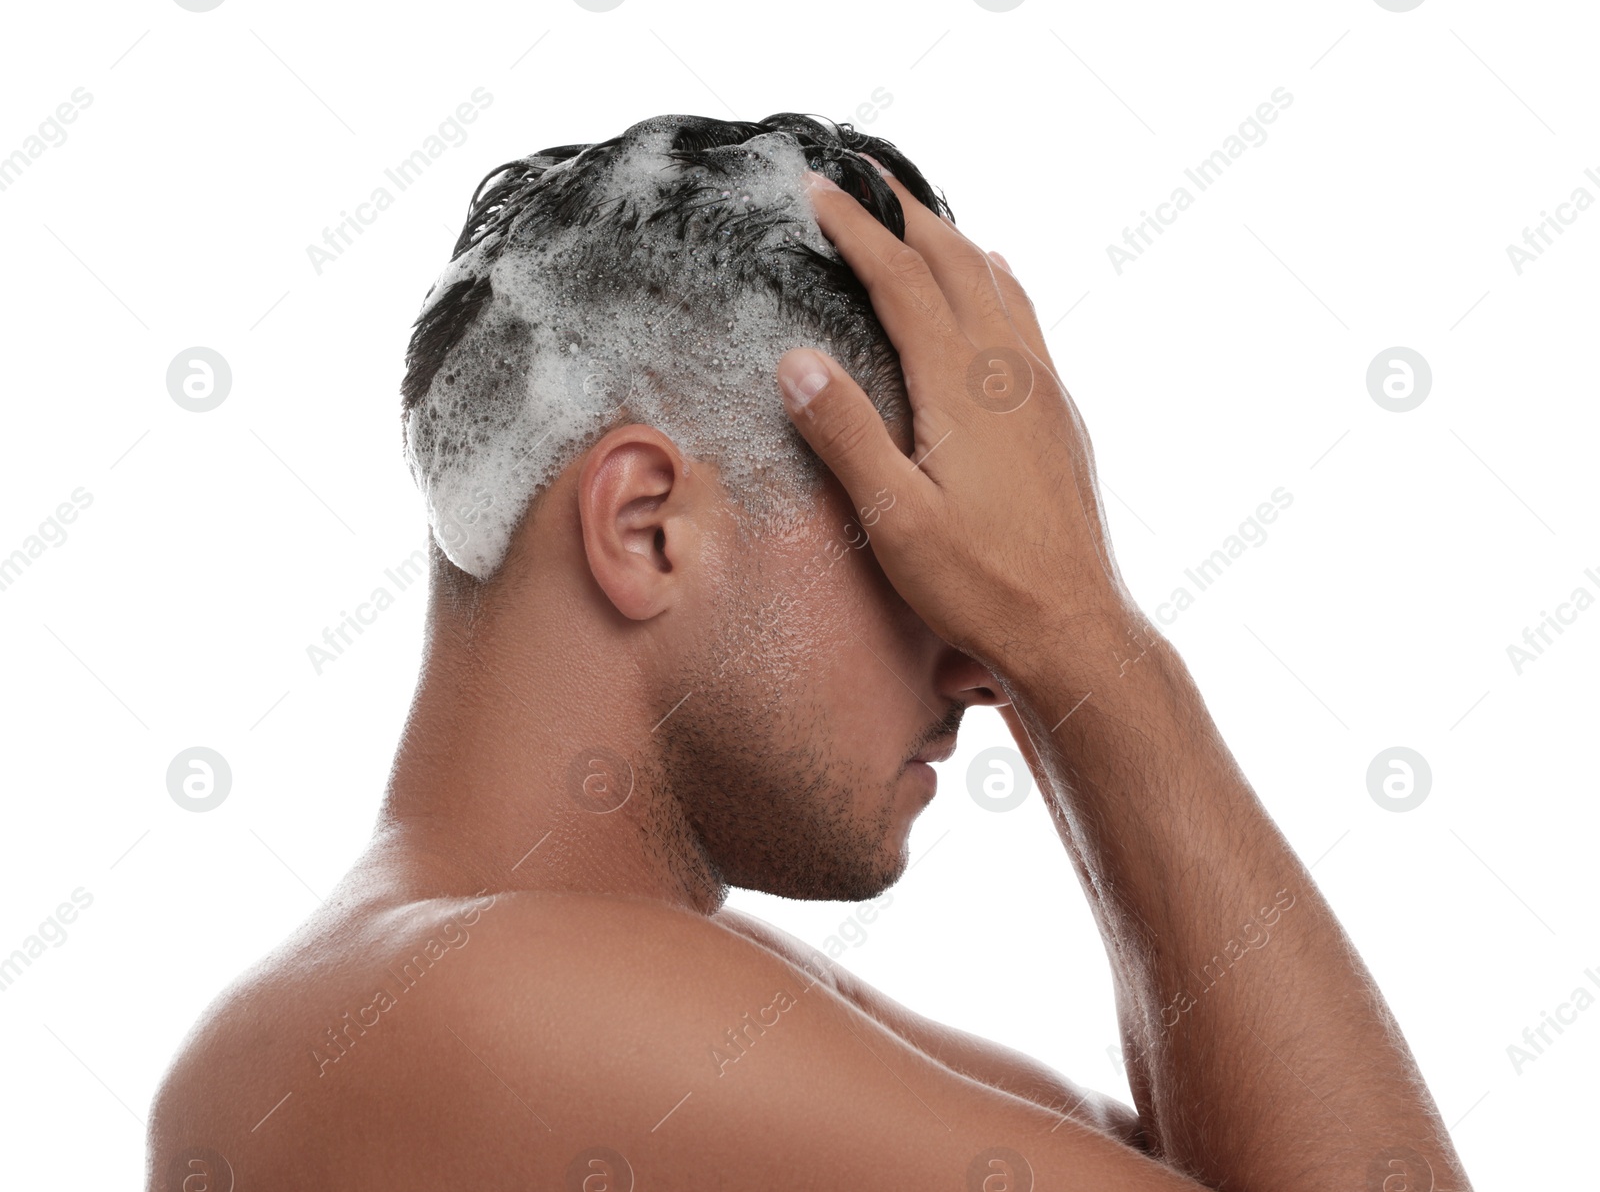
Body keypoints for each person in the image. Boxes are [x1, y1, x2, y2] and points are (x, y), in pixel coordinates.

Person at [146, 114, 1471, 1191]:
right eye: (916, 541)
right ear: (647, 526)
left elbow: (1269, 1157)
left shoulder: (525, 989)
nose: (979, 663)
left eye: (992, 563)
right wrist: (1083, 642)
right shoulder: (473, 1001)